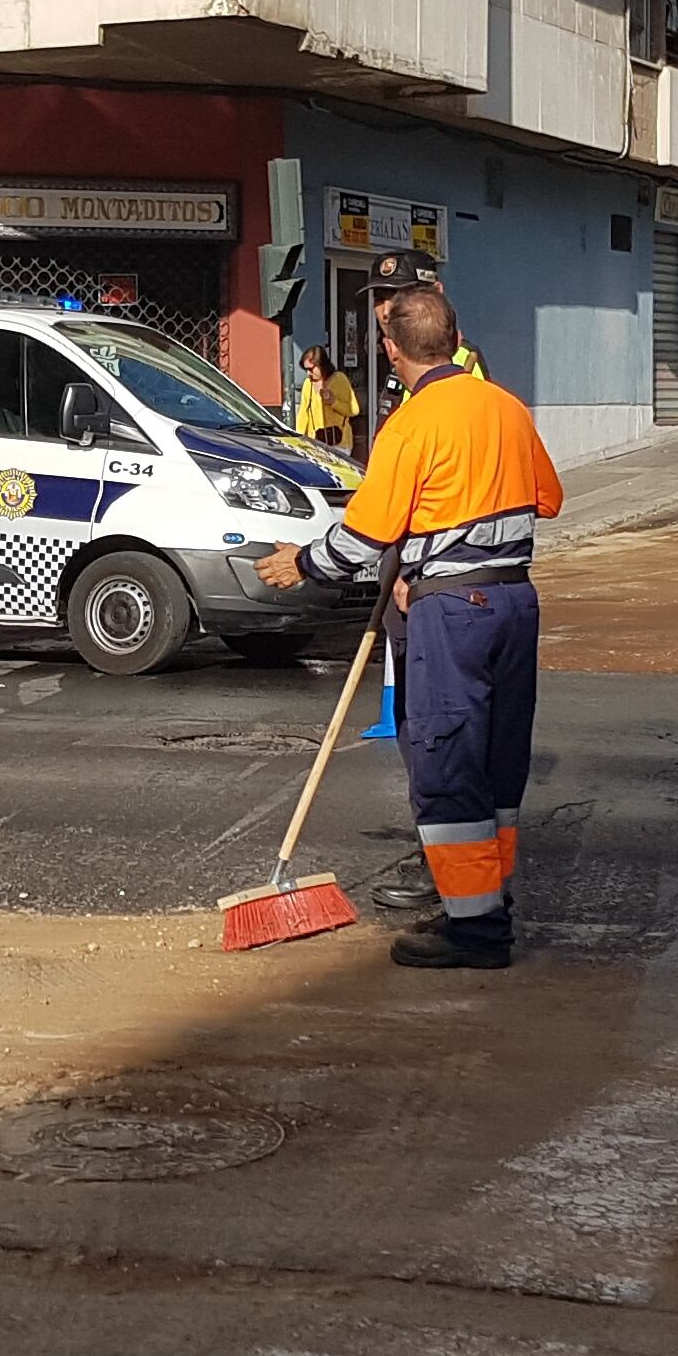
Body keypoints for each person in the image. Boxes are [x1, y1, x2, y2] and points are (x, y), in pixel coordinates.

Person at [255, 285, 563, 969]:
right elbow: (548, 498)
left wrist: (302, 563)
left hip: (452, 611)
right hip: (514, 601)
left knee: (447, 757)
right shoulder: (506, 406)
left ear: (392, 351)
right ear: (453, 340)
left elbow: (365, 532)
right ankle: (491, 898)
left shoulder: (413, 423)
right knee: (497, 758)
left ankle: (476, 930)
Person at [296, 345, 361, 451]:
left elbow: (354, 410)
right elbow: (303, 414)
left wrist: (334, 402)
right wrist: (298, 439)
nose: (308, 373)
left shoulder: (339, 380)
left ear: (321, 365)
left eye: (311, 369)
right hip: (316, 443)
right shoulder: (308, 384)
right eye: (306, 369)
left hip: (339, 442)